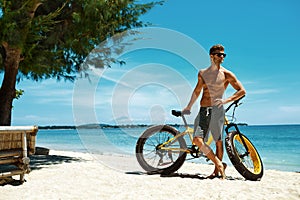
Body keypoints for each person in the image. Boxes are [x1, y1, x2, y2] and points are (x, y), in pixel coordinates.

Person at [182, 44, 246, 179]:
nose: (222, 57)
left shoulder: (227, 74)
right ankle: (219, 163)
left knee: (218, 141)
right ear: (212, 56)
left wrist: (226, 100)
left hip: (217, 110)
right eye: (219, 54)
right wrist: (188, 107)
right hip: (203, 109)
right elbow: (197, 90)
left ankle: (216, 171)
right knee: (197, 140)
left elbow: (241, 91)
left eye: (224, 54)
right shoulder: (202, 73)